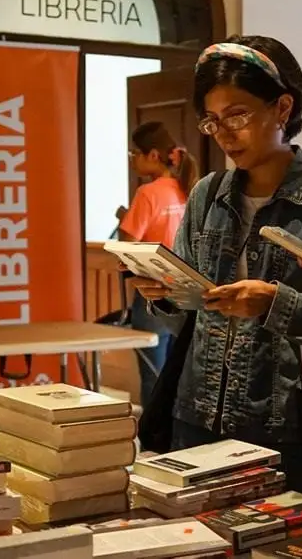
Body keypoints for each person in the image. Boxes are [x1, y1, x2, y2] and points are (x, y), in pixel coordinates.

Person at [127, 35, 302, 492]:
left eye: (238, 115)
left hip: (287, 431)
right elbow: (189, 319)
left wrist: (274, 304)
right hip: (197, 420)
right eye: (212, 121)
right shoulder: (207, 194)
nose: (225, 133)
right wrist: (167, 292)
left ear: (283, 108)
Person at [118, 121, 199, 407]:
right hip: (187, 292)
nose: (132, 161)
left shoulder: (148, 193)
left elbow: (127, 246)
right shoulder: (189, 188)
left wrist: (122, 219)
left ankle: (155, 441)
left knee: (154, 373)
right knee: (182, 373)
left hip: (153, 293)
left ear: (152, 155)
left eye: (134, 154)